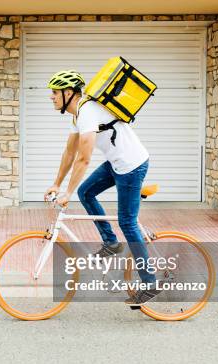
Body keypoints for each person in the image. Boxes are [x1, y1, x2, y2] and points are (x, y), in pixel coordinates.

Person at [43, 69, 161, 306]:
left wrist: (66, 193)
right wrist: (57, 183)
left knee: (127, 222)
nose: (51, 97)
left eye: (55, 93)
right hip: (116, 163)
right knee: (85, 192)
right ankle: (111, 242)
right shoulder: (78, 115)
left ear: (68, 93)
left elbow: (84, 159)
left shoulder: (87, 111)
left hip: (131, 165)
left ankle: (150, 282)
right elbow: (70, 152)